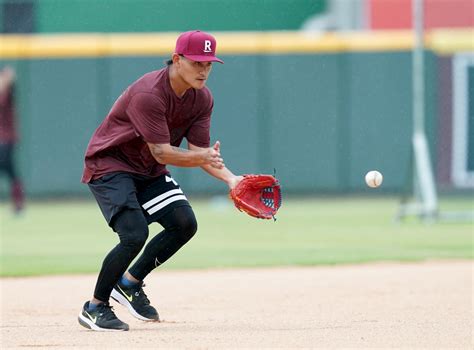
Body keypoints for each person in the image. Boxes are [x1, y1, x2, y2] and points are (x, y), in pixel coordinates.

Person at [78, 30, 243, 332]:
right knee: (133, 235)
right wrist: (204, 158)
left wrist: (232, 179)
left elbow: (197, 152)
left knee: (184, 223)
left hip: (147, 169)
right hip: (110, 164)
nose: (204, 70)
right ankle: (95, 307)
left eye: (209, 64)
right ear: (177, 59)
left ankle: (129, 283)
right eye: (196, 63)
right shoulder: (149, 94)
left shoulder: (202, 98)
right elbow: (163, 152)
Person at [0, 66, 24, 214]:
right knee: (10, 170)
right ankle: (18, 203)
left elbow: (11, 77)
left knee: (10, 169)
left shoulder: (7, 89)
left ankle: (18, 202)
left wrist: (6, 77)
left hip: (6, 138)